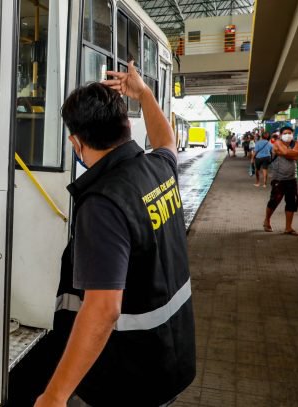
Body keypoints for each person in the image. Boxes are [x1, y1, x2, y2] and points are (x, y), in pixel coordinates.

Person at [35, 62, 195, 407]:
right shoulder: (159, 168)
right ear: (126, 126)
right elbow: (167, 140)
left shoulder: (103, 203)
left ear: (75, 143)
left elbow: (104, 308)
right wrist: (144, 95)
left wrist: (56, 394)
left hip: (130, 378)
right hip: (172, 356)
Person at [262, 126, 298, 235]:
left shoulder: (296, 143)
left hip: (292, 178)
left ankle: (288, 228)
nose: (288, 135)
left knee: (292, 202)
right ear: (280, 135)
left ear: (293, 134)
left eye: (290, 133)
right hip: (278, 178)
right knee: (274, 200)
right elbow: (287, 153)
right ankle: (267, 221)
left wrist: (289, 153)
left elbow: (294, 157)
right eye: (285, 133)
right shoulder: (277, 143)